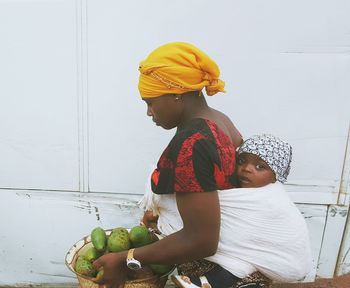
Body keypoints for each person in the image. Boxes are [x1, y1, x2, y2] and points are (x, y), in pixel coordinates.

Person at [92, 41, 244, 288]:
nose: (149, 113)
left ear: (177, 94)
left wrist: (124, 258)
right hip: (237, 257)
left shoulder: (192, 142)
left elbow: (202, 240)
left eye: (150, 102)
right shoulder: (220, 121)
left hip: (213, 271)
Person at [147, 134, 312, 288]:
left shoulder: (271, 199)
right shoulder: (233, 186)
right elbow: (203, 207)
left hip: (277, 258)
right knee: (237, 264)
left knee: (239, 262)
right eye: (241, 161)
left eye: (260, 166)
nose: (247, 169)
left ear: (275, 177)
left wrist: (166, 206)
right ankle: (201, 283)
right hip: (245, 258)